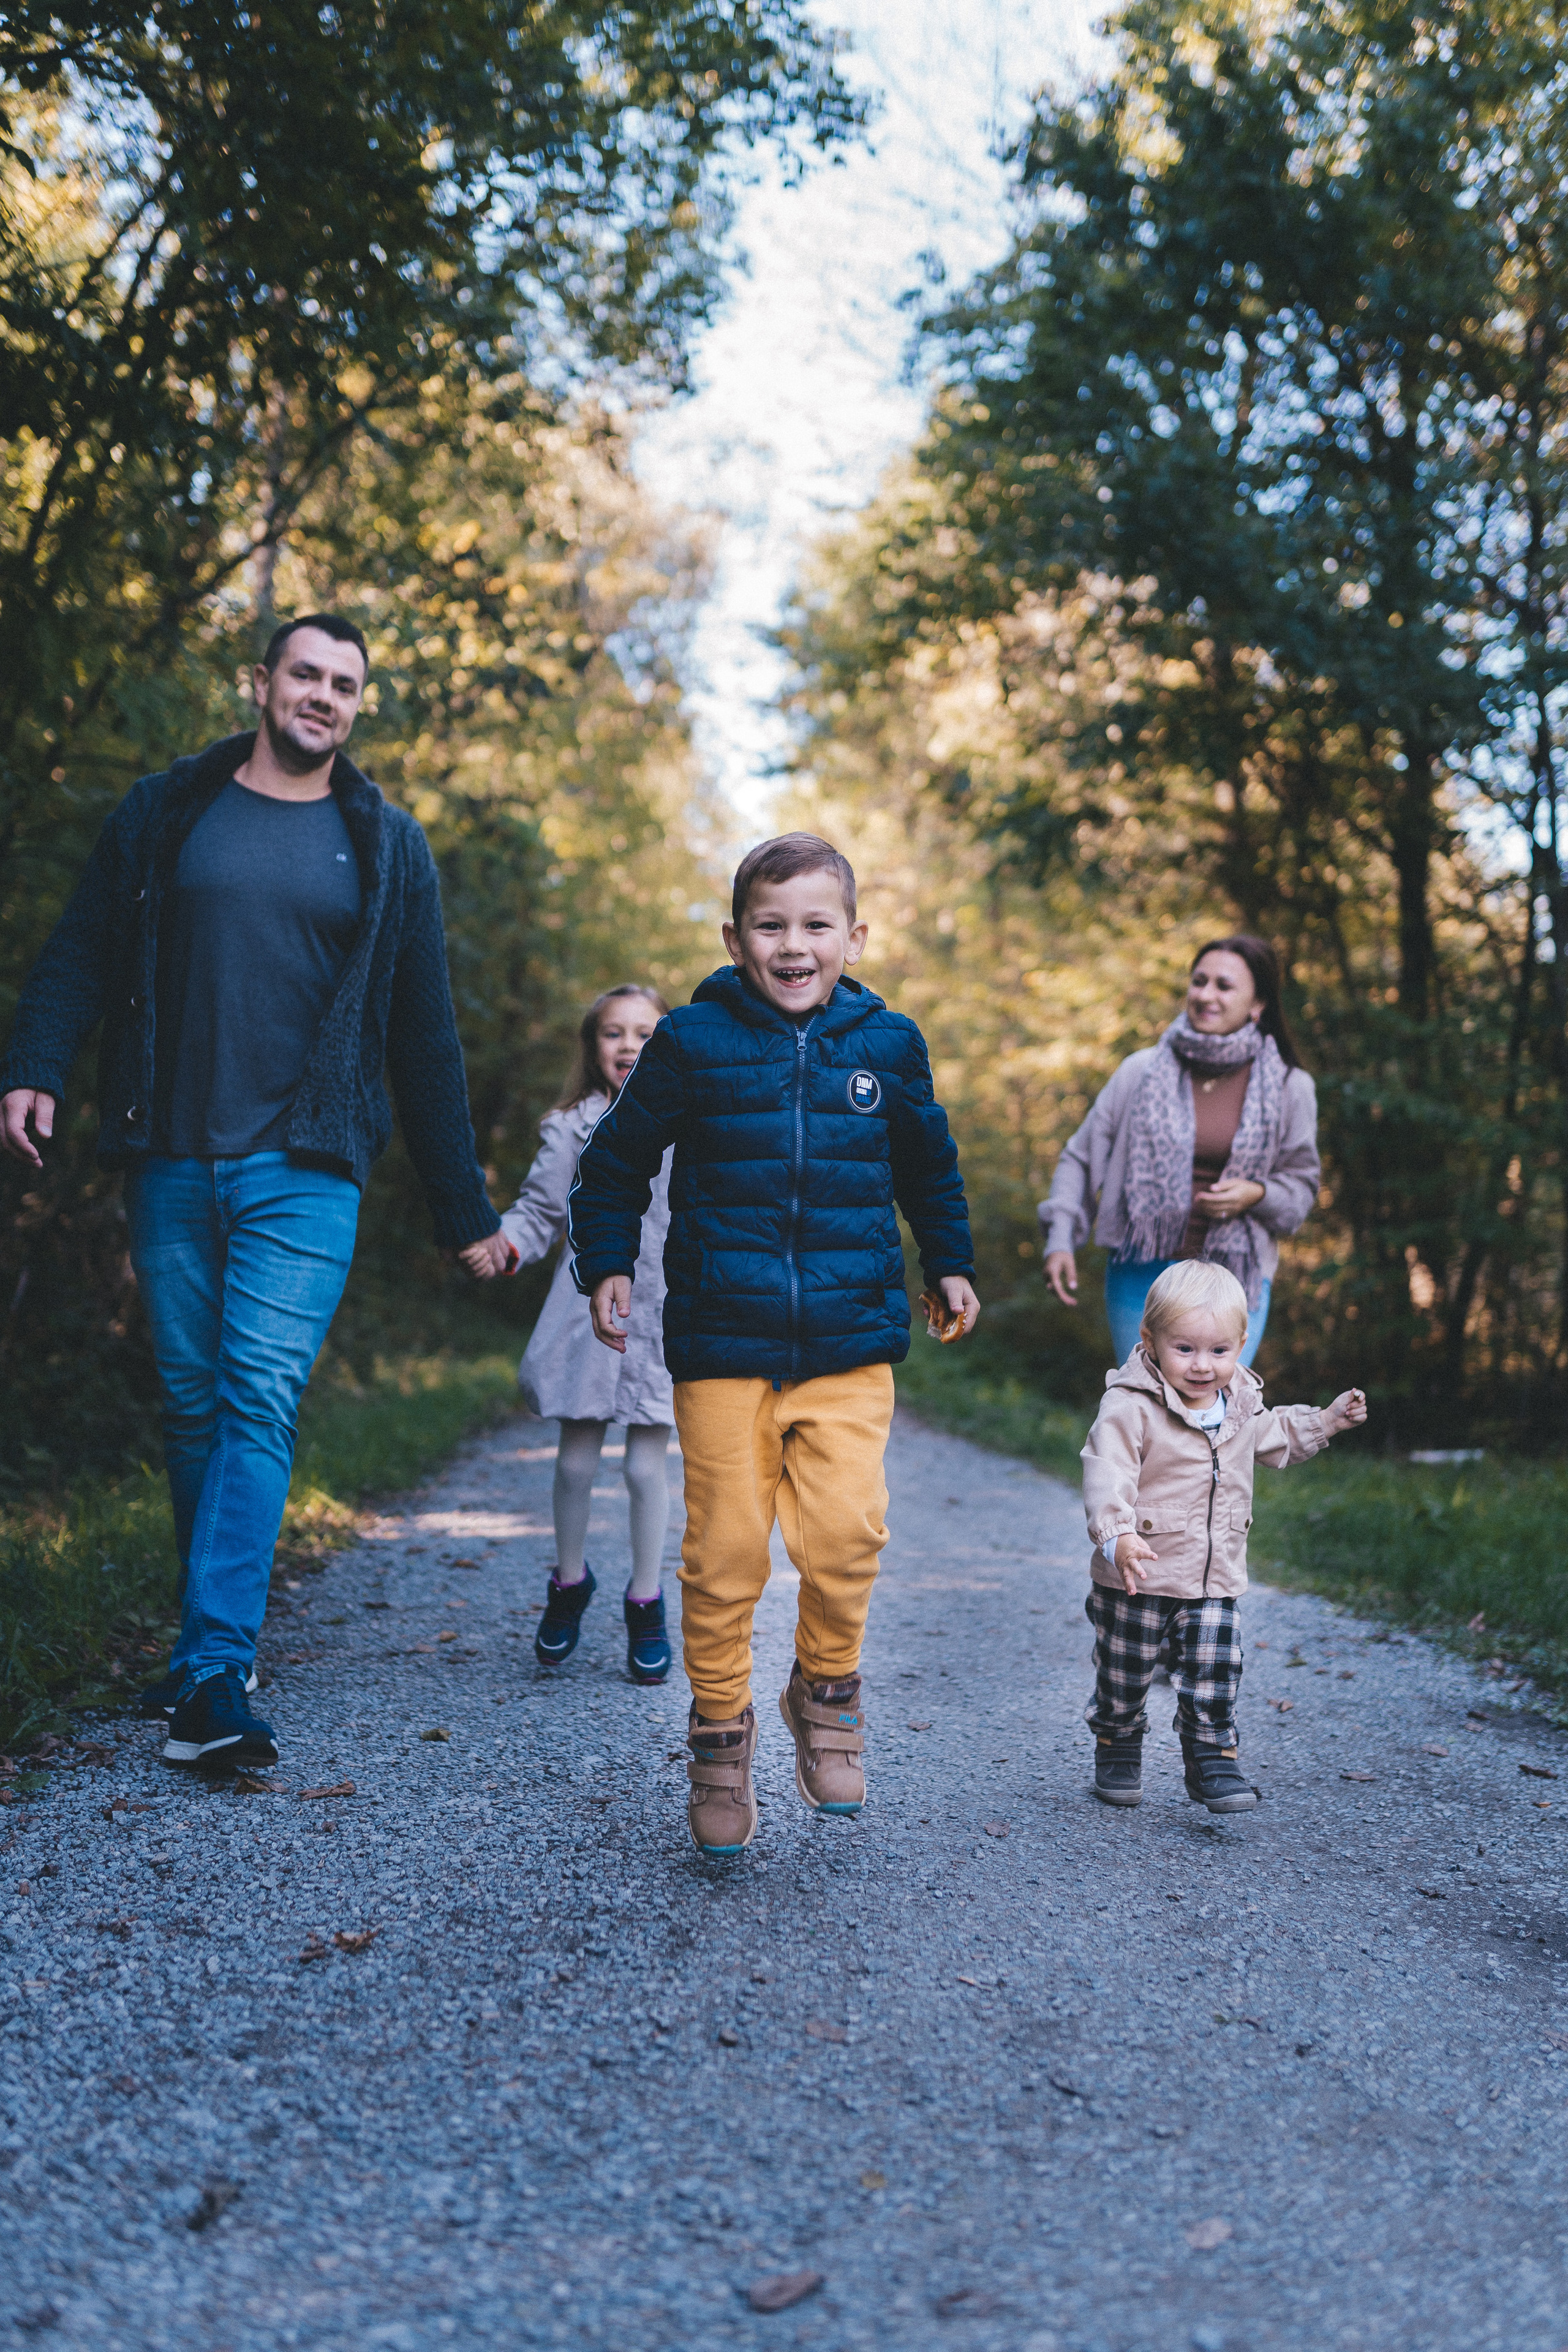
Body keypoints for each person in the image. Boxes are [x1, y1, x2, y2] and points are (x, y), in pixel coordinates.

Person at [0, 616, 503, 1770]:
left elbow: (422, 1035)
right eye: (307, 674)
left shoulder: (386, 844)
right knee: (191, 1403)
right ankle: (201, 1649)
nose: (323, 696)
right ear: (263, 683)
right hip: (170, 1150)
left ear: (357, 706)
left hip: (308, 1164)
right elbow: (81, 947)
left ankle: (215, 1672)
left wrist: (459, 1206)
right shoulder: (168, 808)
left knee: (256, 1395)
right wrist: (33, 1065)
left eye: (346, 684)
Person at [568, 831, 980, 1857]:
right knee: (723, 1553)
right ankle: (719, 1734)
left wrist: (951, 1260)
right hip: (721, 1340)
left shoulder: (889, 1045)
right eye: (771, 926)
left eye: (815, 925)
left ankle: (825, 1691)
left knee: (847, 1534)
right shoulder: (695, 1042)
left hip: (849, 1340)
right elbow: (614, 1161)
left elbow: (929, 1165)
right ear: (735, 936)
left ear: (854, 934)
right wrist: (606, 1261)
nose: (794, 947)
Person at [1080, 1259, 1366, 1814]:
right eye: (1184, 1348)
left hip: (1215, 1577)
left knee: (1215, 1669)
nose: (1202, 1366)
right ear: (1151, 1341)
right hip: (1138, 1572)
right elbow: (1106, 1469)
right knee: (1124, 1672)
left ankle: (1212, 1755)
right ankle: (1117, 1742)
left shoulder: (1239, 1408)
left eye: (1218, 1351)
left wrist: (1326, 1422)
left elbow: (1276, 1431)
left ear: (1240, 1344)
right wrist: (1117, 1535)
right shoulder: (1129, 1406)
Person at [460, 984, 675, 1684]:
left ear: (667, 1045)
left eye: (644, 1034)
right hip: (590, 1312)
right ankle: (569, 1581)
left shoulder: (693, 1124)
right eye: (613, 1034)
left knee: (647, 1466)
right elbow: (540, 1211)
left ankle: (647, 1599)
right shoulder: (573, 1126)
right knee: (577, 1461)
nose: (628, 1046)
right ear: (592, 1048)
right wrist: (505, 1246)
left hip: (665, 1316)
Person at [1040, 935, 1321, 1369]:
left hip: (1235, 1284)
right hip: (1141, 1276)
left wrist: (1257, 1194)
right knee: (1143, 1412)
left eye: (1224, 986)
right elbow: (1081, 1156)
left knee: (1214, 1424)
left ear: (1257, 1003)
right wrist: (1060, 1237)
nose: (1206, 995)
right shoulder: (1140, 1072)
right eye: (1199, 981)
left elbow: (1301, 1190)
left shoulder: (1289, 1088)